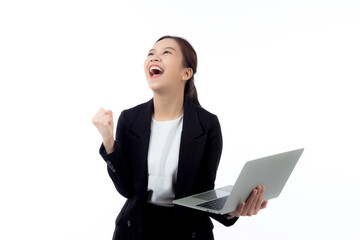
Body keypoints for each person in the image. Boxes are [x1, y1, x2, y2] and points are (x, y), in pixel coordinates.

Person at [92, 35, 268, 240]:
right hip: (136, 230)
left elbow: (202, 191)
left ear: (186, 73)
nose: (154, 58)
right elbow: (127, 189)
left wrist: (231, 210)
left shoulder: (207, 124)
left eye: (166, 52)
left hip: (189, 230)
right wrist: (108, 142)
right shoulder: (129, 119)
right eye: (151, 53)